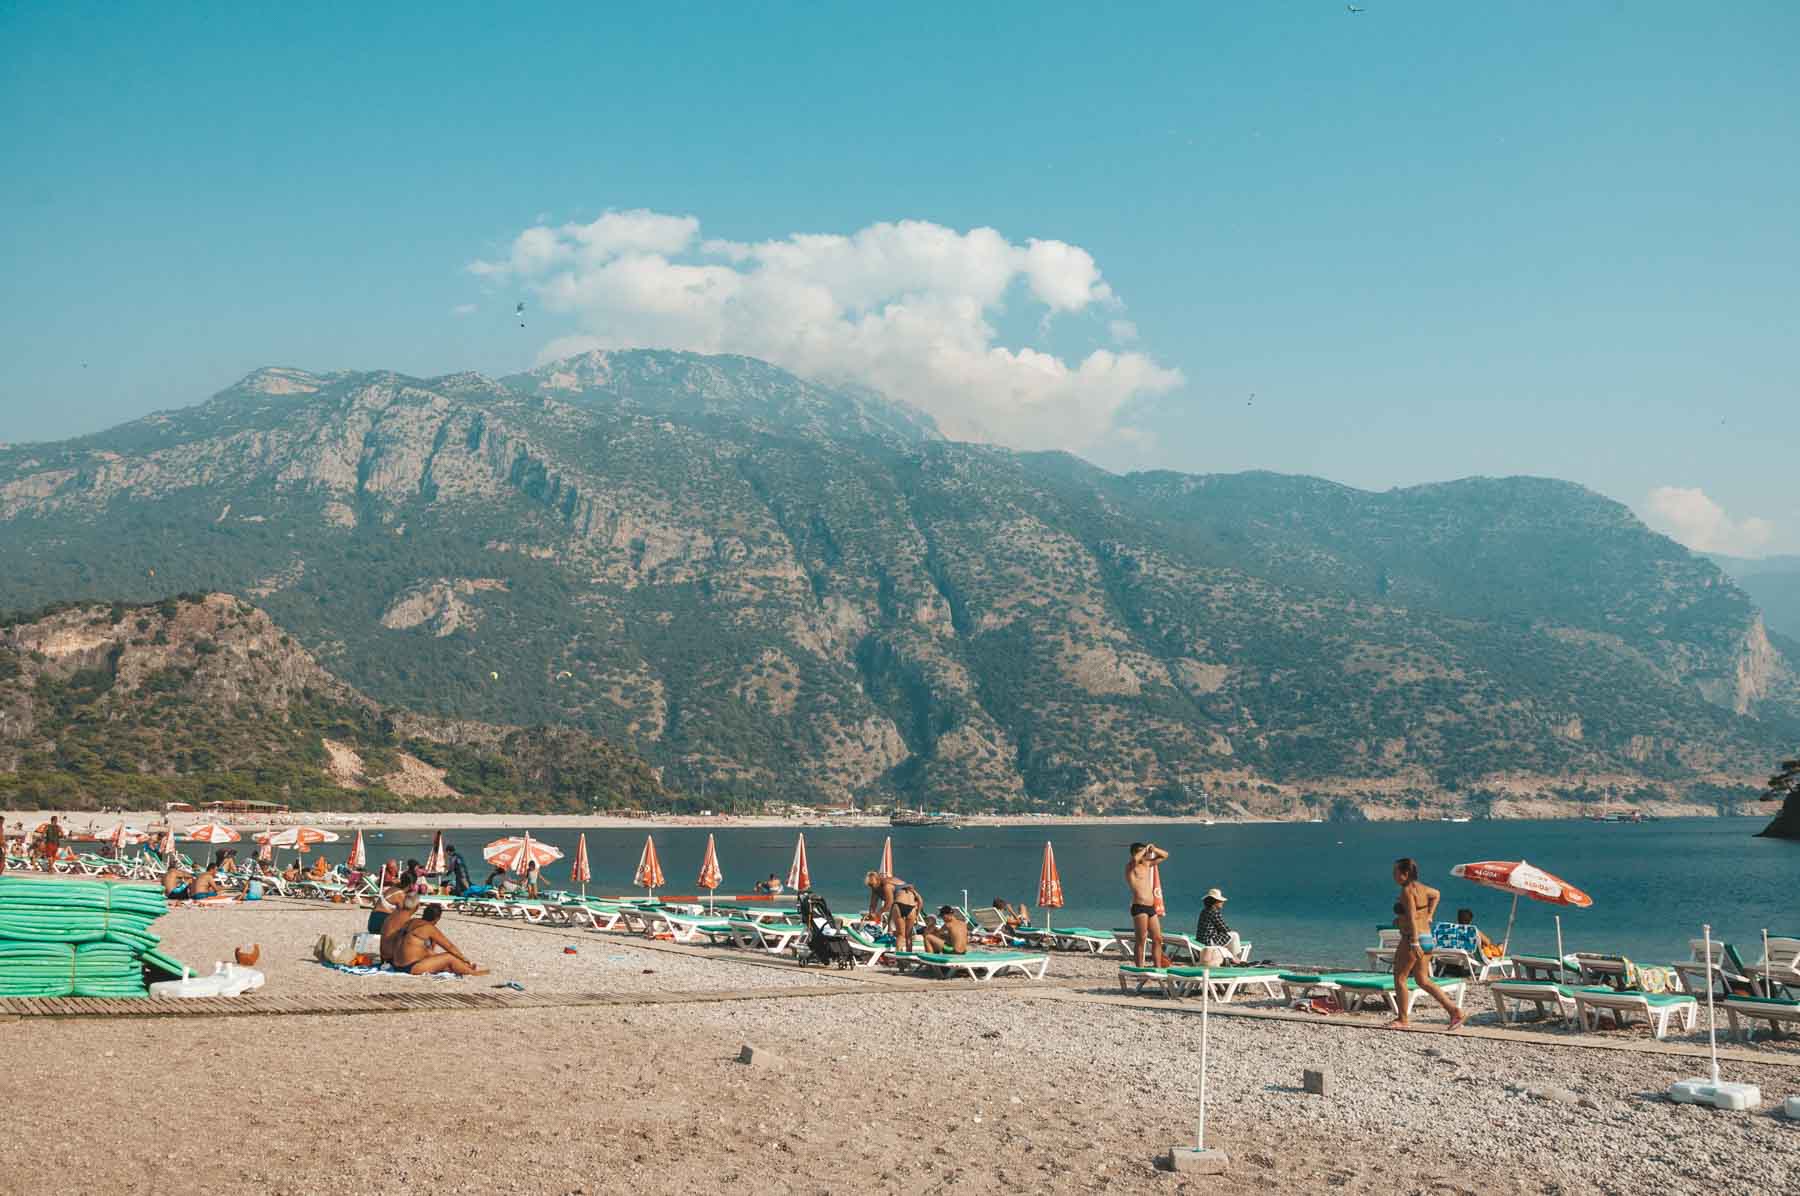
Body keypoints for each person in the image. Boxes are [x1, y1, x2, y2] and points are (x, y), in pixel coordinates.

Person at [1390, 858, 1466, 1031]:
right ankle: (1455, 1011)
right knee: (1423, 980)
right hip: (1427, 938)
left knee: (1400, 978)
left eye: (1396, 872)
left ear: (1405, 874)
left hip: (1413, 939)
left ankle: (1403, 1019)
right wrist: (1430, 914)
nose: (1394, 876)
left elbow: (1410, 917)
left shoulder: (1407, 891)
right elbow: (1436, 894)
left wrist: (1414, 942)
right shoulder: (1422, 888)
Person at [391, 905, 487, 976]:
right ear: (437, 918)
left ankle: (465, 967)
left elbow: (422, 950)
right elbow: (450, 947)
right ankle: (473, 973)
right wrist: (465, 960)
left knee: (439, 959)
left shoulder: (409, 922)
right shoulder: (428, 928)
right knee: (449, 957)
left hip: (396, 964)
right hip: (410, 967)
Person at [1126, 841, 1170, 967]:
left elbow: (1165, 855)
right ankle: (1140, 967)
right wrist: (1145, 849)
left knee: (1158, 938)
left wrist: (1154, 849)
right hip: (1139, 906)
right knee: (1141, 939)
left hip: (1151, 907)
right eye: (1143, 852)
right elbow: (1135, 858)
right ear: (1136, 852)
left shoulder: (1147, 864)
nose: (1146, 854)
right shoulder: (1131, 866)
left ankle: (1158, 966)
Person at [865, 871, 921, 951]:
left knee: (900, 935)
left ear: (877, 880)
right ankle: (908, 956)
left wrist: (878, 914)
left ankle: (899, 959)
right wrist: (871, 913)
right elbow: (873, 905)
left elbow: (889, 904)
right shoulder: (890, 882)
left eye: (872, 885)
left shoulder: (886, 885)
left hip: (899, 904)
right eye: (870, 886)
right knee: (908, 936)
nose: (872, 888)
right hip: (912, 905)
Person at [1195, 888, 1242, 960]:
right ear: (1215, 902)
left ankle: (1229, 957)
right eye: (1221, 901)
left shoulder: (1204, 911)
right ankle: (1234, 958)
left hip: (1200, 940)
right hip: (1208, 941)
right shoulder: (1214, 912)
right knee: (1234, 935)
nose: (1223, 903)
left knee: (1230, 936)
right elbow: (1225, 929)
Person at [380, 893, 421, 966]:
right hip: (393, 960)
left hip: (384, 958)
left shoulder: (391, 917)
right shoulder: (407, 921)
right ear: (417, 906)